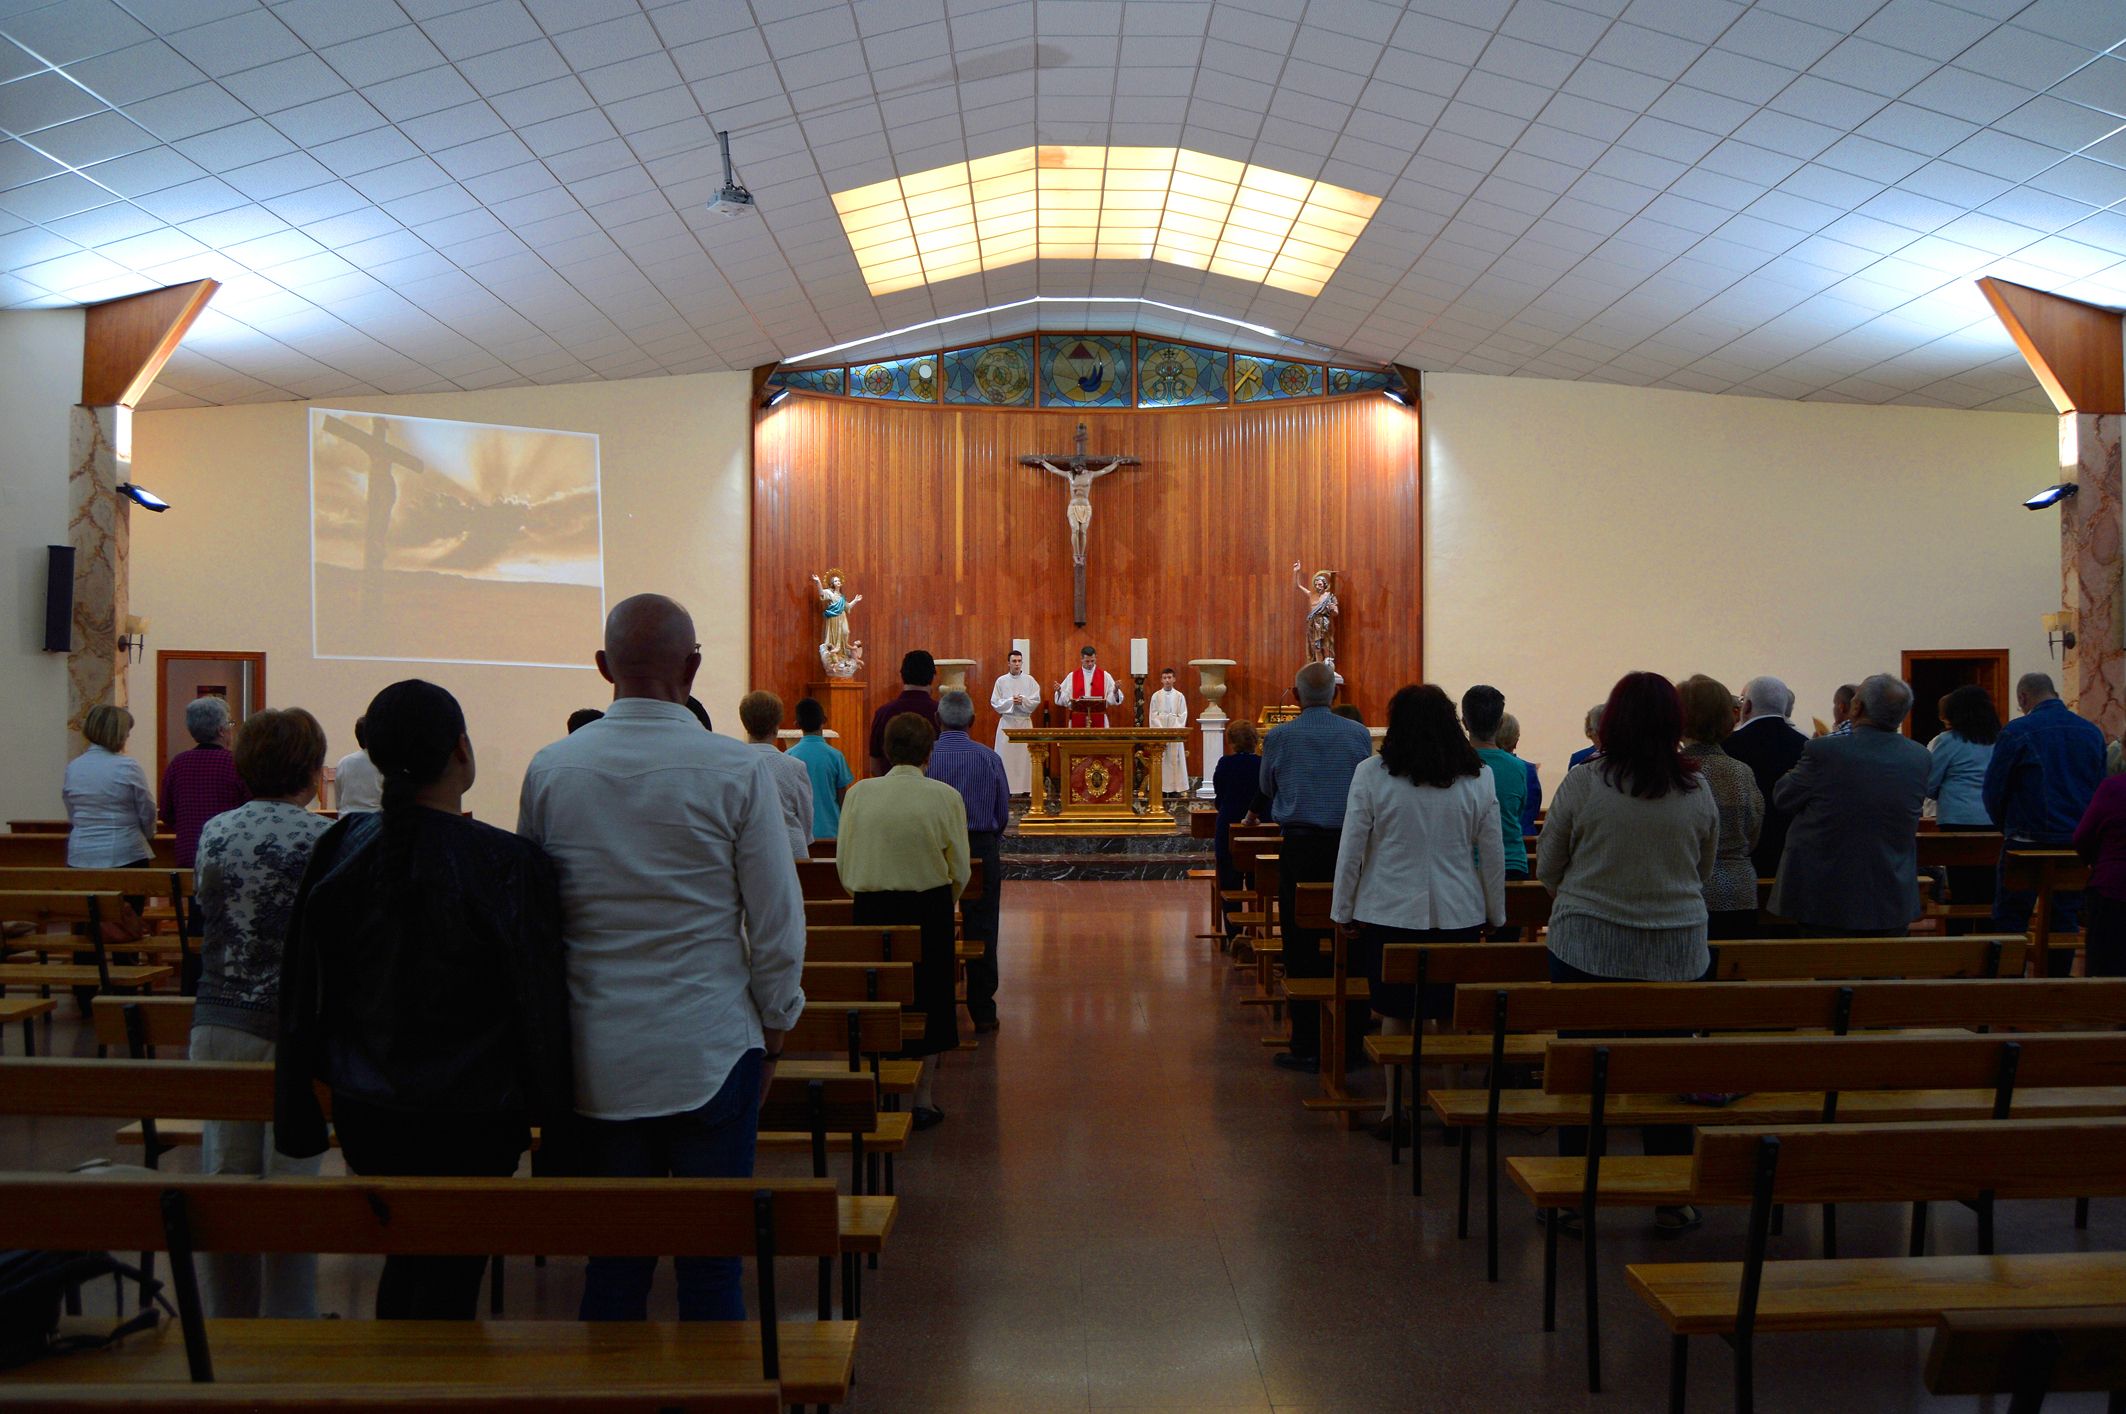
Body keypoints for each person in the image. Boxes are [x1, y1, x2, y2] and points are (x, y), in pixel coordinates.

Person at [517, 595, 805, 1321]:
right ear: (695, 669)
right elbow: (774, 919)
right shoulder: (737, 771)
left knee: (614, 1269)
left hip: (596, 1051)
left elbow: (532, 922)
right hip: (710, 1042)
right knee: (712, 1268)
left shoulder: (552, 770)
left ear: (603, 667)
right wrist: (774, 1029)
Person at [277, 679, 573, 1321]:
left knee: (408, 1262)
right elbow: (538, 1000)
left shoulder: (339, 846)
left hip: (369, 1107)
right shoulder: (506, 861)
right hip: (475, 1114)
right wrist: (558, 1123)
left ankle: (403, 1380)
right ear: (461, 752)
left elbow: (301, 982)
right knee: (450, 1279)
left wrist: (296, 1093)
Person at [1537, 671, 1717, 1230]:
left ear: (1611, 721)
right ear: (1674, 724)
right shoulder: (1697, 790)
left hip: (1586, 945)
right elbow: (1703, 870)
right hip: (1677, 951)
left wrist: (1588, 893)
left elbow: (1548, 867)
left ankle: (1575, 1194)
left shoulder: (1584, 784)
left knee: (1582, 1069)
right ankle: (1671, 1195)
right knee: (1666, 1069)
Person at [189, 706, 333, 1319]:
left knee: (225, 1184)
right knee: (293, 1192)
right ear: (310, 771)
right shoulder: (324, 838)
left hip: (217, 1022)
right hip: (292, 1030)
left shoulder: (216, 831)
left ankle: (229, 1325)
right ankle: (292, 1327)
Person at [1331, 685, 1504, 1139]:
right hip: (1459, 908)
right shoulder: (1478, 775)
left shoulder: (1371, 773)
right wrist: (1495, 911)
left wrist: (1342, 909)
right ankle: (1453, 1110)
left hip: (1388, 907)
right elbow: (1492, 849)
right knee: (1448, 1012)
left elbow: (1352, 849)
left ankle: (1394, 1109)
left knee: (1395, 1010)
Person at [839, 712, 969, 1128]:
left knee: (875, 999)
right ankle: (923, 1097)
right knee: (932, 1000)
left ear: (888, 750)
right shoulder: (945, 796)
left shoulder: (860, 794)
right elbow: (960, 868)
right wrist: (944, 901)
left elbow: (845, 861)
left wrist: (865, 890)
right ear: (929, 752)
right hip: (927, 907)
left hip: (871, 908)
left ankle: (875, 1089)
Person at [1253, 661, 1374, 1073]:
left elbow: (1267, 787)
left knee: (1300, 942)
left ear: (1296, 693)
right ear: (1335, 696)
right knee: (1353, 938)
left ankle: (1304, 1042)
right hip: (1349, 848)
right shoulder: (1358, 734)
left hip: (1301, 847)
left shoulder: (1281, 736)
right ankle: (1353, 1043)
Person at [1770, 674, 1930, 936]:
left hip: (1826, 894)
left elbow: (1783, 797)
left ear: (1857, 707)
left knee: (1828, 970)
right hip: (1891, 892)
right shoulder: (1920, 757)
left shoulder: (1825, 752)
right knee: (1884, 970)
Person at [1985, 672, 2106, 971]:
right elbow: (2099, 788)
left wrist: (2007, 826)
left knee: (2011, 915)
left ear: (2023, 698)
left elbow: (1994, 789)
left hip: (2026, 840)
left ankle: (2008, 986)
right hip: (2074, 841)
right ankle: (2056, 987)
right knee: (2064, 916)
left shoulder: (2017, 731)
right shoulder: (2091, 732)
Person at [926, 691, 1009, 1033]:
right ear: (972, 722)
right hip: (979, 846)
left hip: (933, 848)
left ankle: (935, 1007)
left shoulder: (926, 758)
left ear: (938, 720)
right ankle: (983, 1010)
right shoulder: (989, 758)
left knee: (932, 920)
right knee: (983, 925)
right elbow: (1002, 812)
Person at [1677, 675, 1764, 939]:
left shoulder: (1671, 773)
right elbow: (1753, 832)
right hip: (1737, 892)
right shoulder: (1740, 772)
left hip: (1683, 890)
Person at [1725, 676, 1809, 882]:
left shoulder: (1728, 745)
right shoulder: (1806, 745)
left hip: (1741, 859)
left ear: (1748, 706)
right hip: (1789, 856)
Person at [1929, 684, 2000, 921]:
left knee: (1961, 888)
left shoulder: (1949, 741)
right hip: (1994, 819)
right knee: (1989, 889)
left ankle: (1959, 941)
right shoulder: (2000, 740)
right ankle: (1991, 942)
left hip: (1957, 820)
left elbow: (1929, 784)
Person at [161, 695, 250, 868]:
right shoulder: (236, 763)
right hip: (228, 854)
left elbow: (166, 813)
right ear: (221, 731)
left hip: (189, 854)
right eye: (230, 725)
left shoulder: (178, 763)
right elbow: (250, 808)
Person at [64, 704, 156, 869]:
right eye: (127, 732)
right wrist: (148, 834)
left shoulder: (74, 766)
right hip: (123, 852)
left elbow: (71, 808)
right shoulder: (127, 766)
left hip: (80, 852)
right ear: (118, 734)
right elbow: (146, 808)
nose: (128, 735)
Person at [1461, 687, 1529, 903]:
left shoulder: (1455, 766)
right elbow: (1519, 810)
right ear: (1500, 724)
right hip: (1512, 862)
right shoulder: (1518, 767)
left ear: (1464, 723)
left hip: (1466, 864)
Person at [738, 690, 813, 860]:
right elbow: (806, 816)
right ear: (777, 724)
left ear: (745, 722)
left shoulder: (733, 765)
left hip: (748, 851)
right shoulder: (795, 766)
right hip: (790, 850)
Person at [2070, 766, 2126, 977]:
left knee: (2104, 972)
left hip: (2114, 887)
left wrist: (2095, 861)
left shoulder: (2113, 788)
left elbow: (2082, 837)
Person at [787, 697, 853, 842]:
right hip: (832, 831)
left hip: (801, 833)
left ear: (797, 724)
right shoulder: (835, 756)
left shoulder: (789, 756)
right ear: (824, 720)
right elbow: (843, 799)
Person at [868, 650, 939, 776]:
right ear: (933, 676)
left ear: (902, 675)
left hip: (890, 791)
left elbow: (875, 764)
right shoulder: (940, 713)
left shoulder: (883, 713)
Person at [1212, 720, 1263, 895]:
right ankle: (1260, 917)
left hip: (1229, 822)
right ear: (1255, 740)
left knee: (1229, 879)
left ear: (1231, 742)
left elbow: (1219, 794)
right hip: (1261, 826)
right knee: (1259, 877)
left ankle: (1232, 920)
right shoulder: (1262, 764)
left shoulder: (1225, 763)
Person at [989, 648, 1040, 795]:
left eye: (1019, 661)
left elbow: (1035, 700)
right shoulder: (1001, 681)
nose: (1017, 664)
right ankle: (1005, 788)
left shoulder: (1030, 681)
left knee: (1024, 758)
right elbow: (995, 702)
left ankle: (1025, 788)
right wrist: (1012, 701)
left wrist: (1023, 700)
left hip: (1024, 722)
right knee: (1006, 757)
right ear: (1008, 663)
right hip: (1008, 722)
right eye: (1014, 661)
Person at [1054, 644, 1123, 728]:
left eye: (1092, 661)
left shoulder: (1105, 676)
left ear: (1095, 659)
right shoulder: (1072, 676)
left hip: (1099, 719)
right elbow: (1065, 700)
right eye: (1087, 661)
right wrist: (1059, 691)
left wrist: (1115, 691)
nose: (1090, 664)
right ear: (1082, 659)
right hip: (1078, 719)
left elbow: (1111, 699)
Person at [1498, 713, 1541, 838]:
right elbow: (1533, 810)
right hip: (1522, 838)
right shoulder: (1528, 770)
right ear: (1516, 740)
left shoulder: (1480, 767)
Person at [1149, 667, 1190, 798]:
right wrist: (1161, 730)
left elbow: (1183, 714)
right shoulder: (1156, 696)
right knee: (1162, 760)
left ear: (1174, 679)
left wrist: (1174, 729)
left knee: (1175, 760)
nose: (1167, 680)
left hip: (1174, 732)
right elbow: (1153, 715)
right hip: (1161, 731)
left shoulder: (1179, 696)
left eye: (1169, 677)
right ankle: (1160, 787)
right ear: (1161, 679)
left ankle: (1176, 788)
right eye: (1165, 678)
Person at [334, 715, 383, 811]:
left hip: (347, 820)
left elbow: (339, 803)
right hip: (375, 821)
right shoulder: (382, 762)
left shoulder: (344, 762)